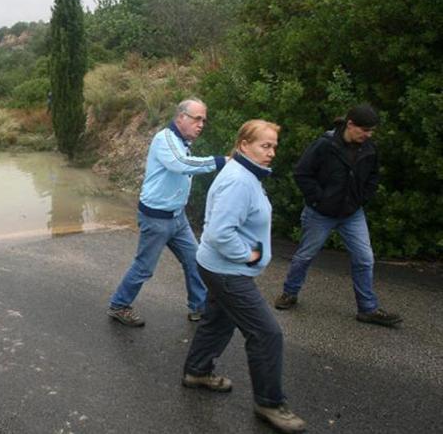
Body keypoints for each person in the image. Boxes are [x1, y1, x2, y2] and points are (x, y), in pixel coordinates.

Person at [182, 120, 306, 434]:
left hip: (219, 267)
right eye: (265, 145)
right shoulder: (239, 180)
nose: (272, 152)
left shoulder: (246, 174)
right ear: (243, 145)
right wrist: (248, 254)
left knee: (219, 321)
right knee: (266, 334)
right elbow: (220, 233)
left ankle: (197, 371)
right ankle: (269, 403)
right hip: (227, 271)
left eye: (274, 146)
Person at [274, 104, 402, 327]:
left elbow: (373, 177)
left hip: (352, 213)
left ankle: (367, 309)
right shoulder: (325, 145)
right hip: (320, 213)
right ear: (350, 124)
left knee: (364, 258)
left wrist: (361, 199)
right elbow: (302, 173)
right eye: (365, 130)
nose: (369, 135)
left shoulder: (369, 148)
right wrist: (318, 199)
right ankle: (289, 293)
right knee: (305, 256)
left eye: (371, 131)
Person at [107, 98, 226, 326]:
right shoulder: (165, 139)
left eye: (204, 120)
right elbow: (180, 164)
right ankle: (119, 305)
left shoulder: (183, 141)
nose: (201, 124)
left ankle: (198, 307)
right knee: (144, 267)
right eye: (197, 119)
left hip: (177, 217)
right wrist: (221, 161)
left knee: (195, 260)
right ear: (181, 117)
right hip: (156, 218)